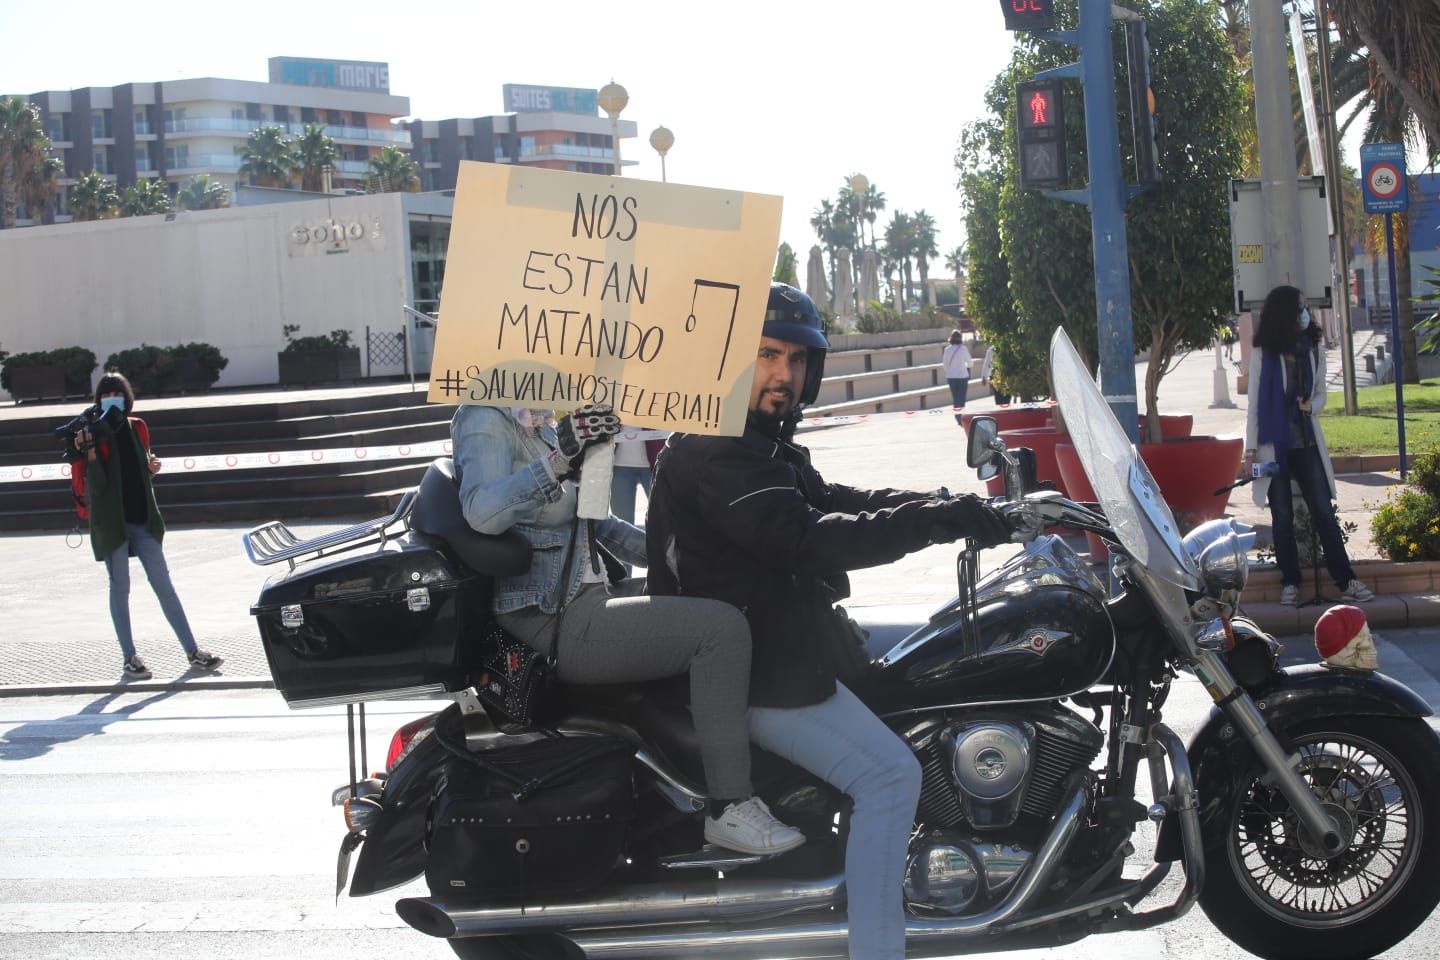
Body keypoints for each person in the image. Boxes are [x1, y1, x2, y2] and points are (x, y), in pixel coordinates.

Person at [645, 283, 1015, 960]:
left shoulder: (759, 447)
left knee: (930, 658)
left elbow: (840, 498)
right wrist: (936, 522)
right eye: (765, 355)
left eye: (795, 359)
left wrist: (946, 503)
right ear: (731, 362)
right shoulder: (718, 451)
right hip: (754, 673)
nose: (782, 374)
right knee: (889, 776)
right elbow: (809, 535)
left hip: (784, 642)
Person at [450, 402, 804, 855]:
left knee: (729, 598)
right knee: (720, 630)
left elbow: (597, 520)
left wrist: (685, 557)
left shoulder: (541, 418)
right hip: (551, 614)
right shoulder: (486, 416)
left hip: (586, 590)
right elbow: (481, 513)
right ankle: (729, 804)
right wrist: (559, 462)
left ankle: (717, 767)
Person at [74, 372, 222, 680]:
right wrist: (89, 454)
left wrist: (151, 468)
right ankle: (129, 657)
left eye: (117, 392)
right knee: (120, 588)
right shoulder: (95, 432)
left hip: (142, 520)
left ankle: (193, 651)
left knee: (164, 586)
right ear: (98, 399)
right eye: (106, 393)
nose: (111, 397)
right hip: (113, 523)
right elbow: (99, 487)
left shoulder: (137, 427)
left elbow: (140, 476)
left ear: (127, 396)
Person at [1245, 284, 1373, 606]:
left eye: (1306, 307)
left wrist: (1311, 407)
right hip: (1272, 447)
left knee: (1322, 511)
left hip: (1305, 442)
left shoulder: (1312, 349)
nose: (1306, 313)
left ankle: (1346, 581)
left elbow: (1321, 394)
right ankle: (1290, 583)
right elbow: (1254, 405)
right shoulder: (1262, 354)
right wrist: (1249, 451)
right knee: (1282, 515)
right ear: (1284, 313)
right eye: (1300, 307)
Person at [941, 329, 973, 424]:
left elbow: (944, 365)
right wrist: (965, 366)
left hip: (951, 377)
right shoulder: (963, 349)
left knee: (955, 398)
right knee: (961, 398)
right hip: (962, 376)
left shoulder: (947, 349)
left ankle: (957, 416)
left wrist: (950, 371)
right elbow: (970, 363)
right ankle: (960, 417)